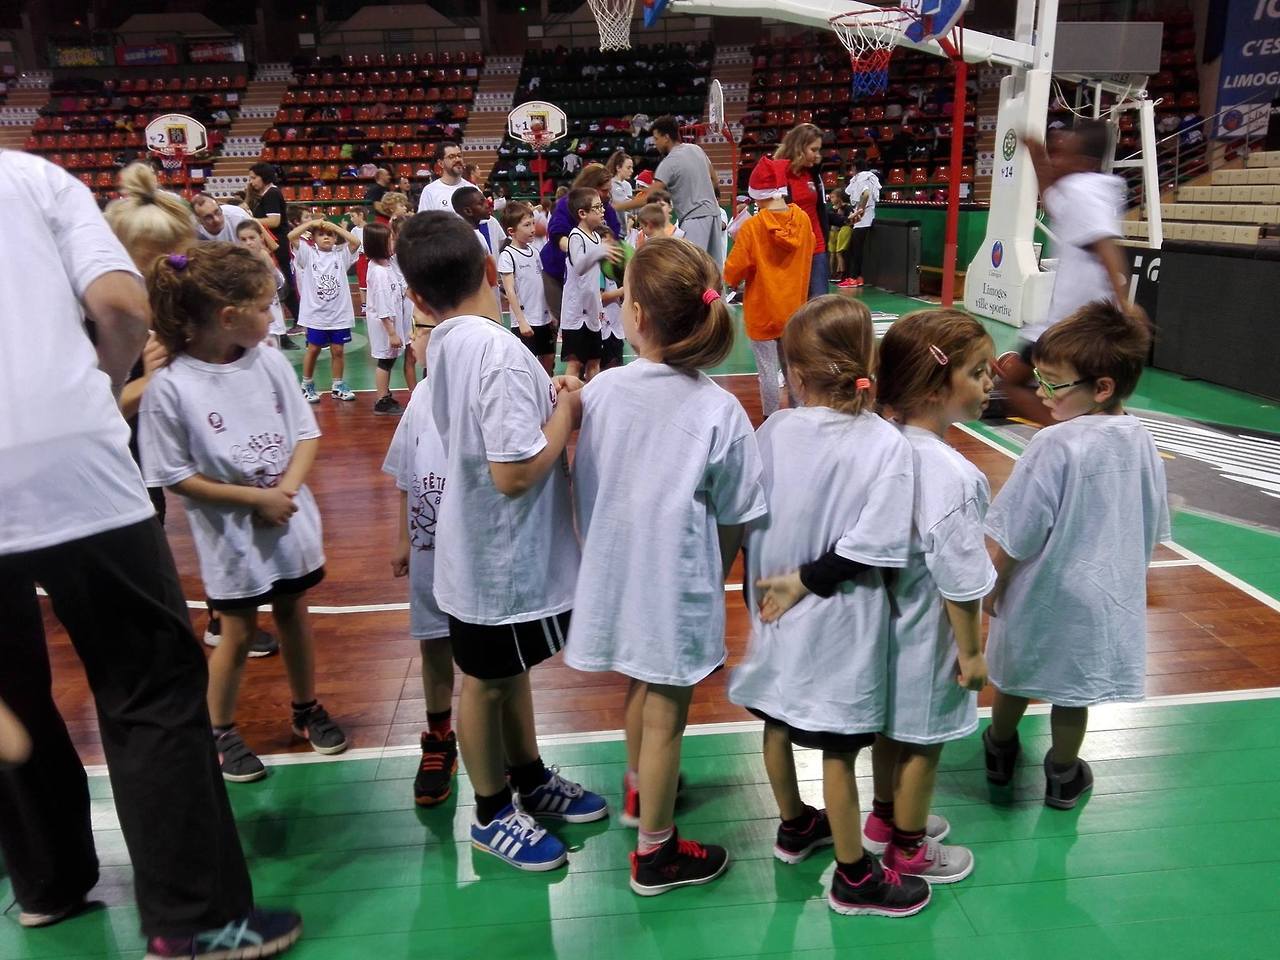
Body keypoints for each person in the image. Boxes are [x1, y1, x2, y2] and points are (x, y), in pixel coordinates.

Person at [0, 149, 301, 958]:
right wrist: (97, 391)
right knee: (150, 689)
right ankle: (195, 918)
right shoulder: (28, 178)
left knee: (11, 691)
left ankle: (46, 885)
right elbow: (118, 304)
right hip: (71, 463)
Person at [397, 211, 607, 873]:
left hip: (484, 549)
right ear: (492, 269)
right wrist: (567, 410)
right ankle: (491, 813)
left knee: (508, 676)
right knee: (487, 686)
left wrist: (546, 395)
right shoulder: (495, 351)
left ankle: (529, 775)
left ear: (417, 298)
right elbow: (513, 472)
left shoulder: (446, 345)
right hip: (499, 557)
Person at [567, 237, 766, 896]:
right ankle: (656, 853)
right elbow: (737, 511)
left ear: (639, 316)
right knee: (666, 718)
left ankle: (639, 793)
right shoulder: (719, 409)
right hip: (675, 584)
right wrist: (717, 568)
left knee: (640, 688)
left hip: (613, 577)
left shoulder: (601, 391)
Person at [730, 296, 929, 918]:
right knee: (838, 748)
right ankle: (853, 876)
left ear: (795, 373)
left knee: (776, 717)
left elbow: (746, 514)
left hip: (773, 605)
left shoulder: (772, 431)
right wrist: (807, 581)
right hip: (840, 615)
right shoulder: (886, 444)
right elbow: (877, 542)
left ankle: (795, 824)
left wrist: (765, 584)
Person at [139, 243, 348, 786]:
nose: (273, 316)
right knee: (236, 631)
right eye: (263, 307)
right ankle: (219, 729)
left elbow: (305, 434)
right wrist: (257, 500)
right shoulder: (171, 387)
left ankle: (305, 707)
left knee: (293, 612)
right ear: (229, 317)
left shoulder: (270, 361)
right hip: (231, 539)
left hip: (288, 522)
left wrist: (286, 491)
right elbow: (175, 476)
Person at [983, 302, 1169, 809]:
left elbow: (1019, 532)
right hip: (1101, 595)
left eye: (1053, 383)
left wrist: (994, 585)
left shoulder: (1054, 444)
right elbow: (1153, 520)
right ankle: (1064, 774)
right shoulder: (1141, 439)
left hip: (1040, 590)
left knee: (1015, 674)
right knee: (1073, 691)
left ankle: (999, 747)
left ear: (1101, 387)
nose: (1041, 392)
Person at [857, 309, 997, 884]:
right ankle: (909, 851)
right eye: (978, 372)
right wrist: (972, 652)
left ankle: (884, 819)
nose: (990, 382)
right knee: (924, 743)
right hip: (925, 634)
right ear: (937, 388)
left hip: (877, 628)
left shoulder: (879, 446)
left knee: (889, 731)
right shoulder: (952, 475)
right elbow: (960, 579)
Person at [998, 121, 1128, 424]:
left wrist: (1126, 303)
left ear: (1086, 163)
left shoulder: (1081, 190)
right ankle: (1092, 424)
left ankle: (1070, 430)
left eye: (1062, 155)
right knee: (1082, 394)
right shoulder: (1086, 189)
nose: (1055, 161)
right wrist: (1037, 155)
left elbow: (1106, 246)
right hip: (1086, 323)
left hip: (1071, 325)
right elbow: (1050, 201)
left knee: (1012, 385)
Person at [385, 315, 459, 806]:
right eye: (415, 330)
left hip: (471, 553)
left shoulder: (477, 393)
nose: (416, 338)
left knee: (483, 648)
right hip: (428, 545)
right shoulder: (419, 400)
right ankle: (439, 735)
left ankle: (497, 733)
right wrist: (401, 539)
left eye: (425, 328)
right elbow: (405, 474)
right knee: (434, 643)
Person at [723, 156, 814, 417]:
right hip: (794, 309)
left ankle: (770, 419)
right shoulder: (803, 220)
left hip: (762, 311)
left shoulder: (752, 227)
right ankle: (799, 417)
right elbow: (809, 253)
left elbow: (733, 272)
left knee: (767, 373)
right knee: (793, 369)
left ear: (756, 194)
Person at [540, 163, 624, 324]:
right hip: (557, 272)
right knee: (567, 322)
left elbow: (614, 239)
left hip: (591, 277)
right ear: (591, 187)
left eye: (609, 190)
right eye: (604, 190)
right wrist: (587, 253)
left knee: (593, 322)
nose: (607, 195)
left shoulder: (607, 211)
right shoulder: (566, 204)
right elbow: (558, 235)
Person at [290, 217, 361, 403]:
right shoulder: (308, 254)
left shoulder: (341, 255)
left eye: (330, 235)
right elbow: (292, 236)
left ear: (336, 238)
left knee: (338, 350)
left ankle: (337, 385)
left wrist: (334, 227)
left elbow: (356, 242)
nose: (326, 237)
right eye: (321, 235)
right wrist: (311, 224)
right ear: (313, 238)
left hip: (339, 314)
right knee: (313, 349)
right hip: (316, 315)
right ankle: (306, 384)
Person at [560, 186, 621, 382]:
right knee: (575, 363)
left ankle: (591, 399)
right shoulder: (575, 236)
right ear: (582, 213)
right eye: (597, 207)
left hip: (593, 310)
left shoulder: (596, 236)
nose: (602, 211)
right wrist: (600, 251)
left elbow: (594, 278)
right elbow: (579, 265)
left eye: (602, 206)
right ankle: (567, 398)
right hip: (576, 312)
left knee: (594, 362)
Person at [649, 115, 724, 268]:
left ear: (666, 137)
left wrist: (619, 206)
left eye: (656, 139)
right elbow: (715, 181)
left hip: (694, 216)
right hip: (714, 213)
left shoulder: (668, 163)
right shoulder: (696, 149)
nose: (655, 143)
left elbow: (648, 196)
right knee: (713, 270)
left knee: (690, 268)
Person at [497, 201, 556, 374]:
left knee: (549, 358)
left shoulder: (534, 252)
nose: (533, 229)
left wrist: (551, 313)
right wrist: (521, 321)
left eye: (533, 223)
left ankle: (546, 389)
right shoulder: (508, 256)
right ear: (511, 231)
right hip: (526, 320)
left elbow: (541, 285)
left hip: (543, 317)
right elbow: (510, 291)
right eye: (527, 225)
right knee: (528, 365)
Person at [364, 221, 417, 416]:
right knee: (385, 361)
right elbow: (383, 307)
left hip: (393, 322)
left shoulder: (387, 265)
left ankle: (385, 394)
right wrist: (392, 333)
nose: (394, 243)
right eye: (390, 240)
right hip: (385, 326)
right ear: (380, 245)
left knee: (389, 359)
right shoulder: (379, 273)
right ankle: (382, 400)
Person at [773, 123, 830, 299]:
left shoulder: (813, 174)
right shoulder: (778, 174)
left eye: (819, 150)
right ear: (799, 147)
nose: (818, 155)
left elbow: (819, 209)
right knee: (793, 304)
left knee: (820, 304)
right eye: (814, 150)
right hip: (791, 251)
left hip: (817, 247)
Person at [248, 162, 296, 318]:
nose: (251, 182)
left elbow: (274, 221)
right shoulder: (265, 194)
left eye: (254, 178)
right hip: (273, 242)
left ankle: (299, 318)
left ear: (264, 177)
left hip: (278, 243)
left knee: (284, 280)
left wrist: (250, 220)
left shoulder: (272, 194)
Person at [235, 219, 289, 348]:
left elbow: (281, 286)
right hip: (250, 322)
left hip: (272, 319)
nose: (248, 243)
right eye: (243, 239)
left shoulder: (267, 257)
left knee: (273, 355)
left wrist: (269, 266)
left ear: (261, 238)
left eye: (252, 238)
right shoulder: (237, 263)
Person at [451, 185, 503, 313]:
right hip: (479, 303)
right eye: (481, 203)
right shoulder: (470, 238)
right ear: (468, 211)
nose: (487, 205)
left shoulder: (475, 234)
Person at [841, 159, 881, 288]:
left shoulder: (862, 178)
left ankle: (853, 278)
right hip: (866, 218)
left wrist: (860, 210)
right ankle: (858, 277)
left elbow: (866, 194)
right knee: (856, 250)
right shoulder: (869, 177)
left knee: (855, 251)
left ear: (854, 167)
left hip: (862, 220)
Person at [416, 142, 474, 213]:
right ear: (441, 163)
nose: (457, 159)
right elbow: (423, 219)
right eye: (451, 157)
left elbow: (482, 218)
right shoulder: (430, 191)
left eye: (459, 156)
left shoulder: (473, 189)